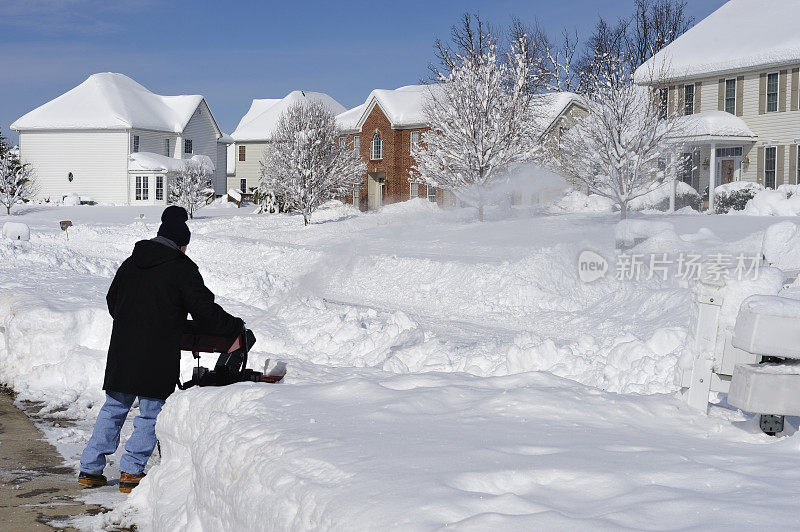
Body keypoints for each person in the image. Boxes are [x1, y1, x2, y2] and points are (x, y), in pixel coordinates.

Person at [77, 206, 243, 493]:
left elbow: (112, 301)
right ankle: (131, 472)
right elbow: (204, 311)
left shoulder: (131, 263)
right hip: (157, 354)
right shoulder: (182, 268)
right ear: (181, 242)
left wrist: (134, 323)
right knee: (151, 412)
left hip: (123, 351)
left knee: (114, 408)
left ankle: (90, 468)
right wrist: (234, 325)